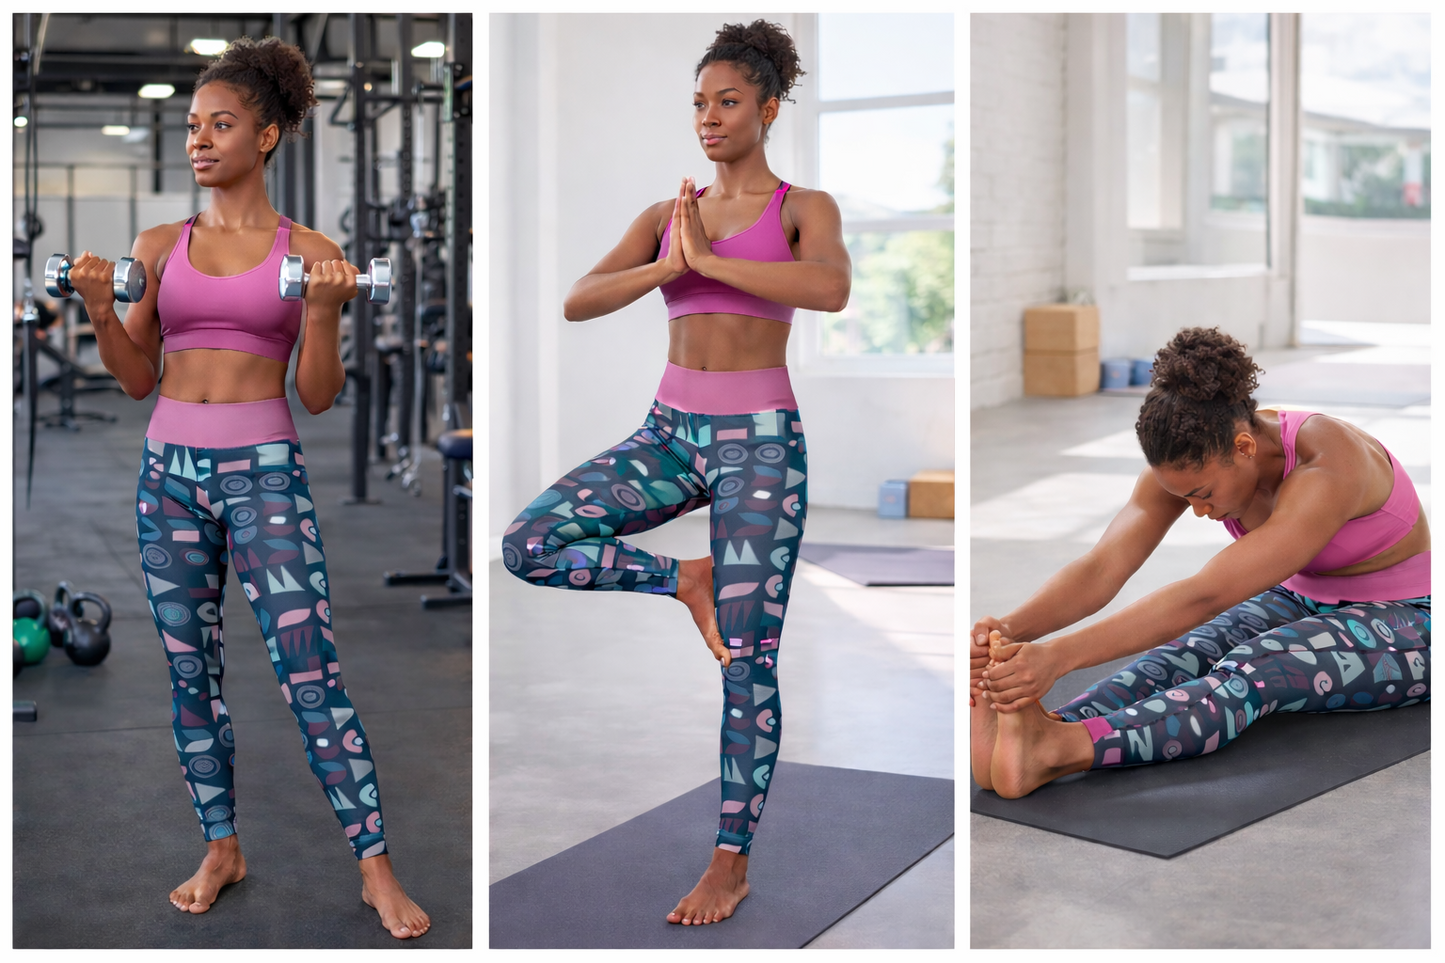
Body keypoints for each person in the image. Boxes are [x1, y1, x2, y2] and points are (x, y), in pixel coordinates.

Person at [68, 37, 429, 939]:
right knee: (191, 674)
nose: (199, 140)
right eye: (193, 126)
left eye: (219, 124)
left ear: (266, 136)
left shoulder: (311, 251)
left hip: (264, 469)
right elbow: (135, 379)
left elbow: (315, 395)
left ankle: (374, 865)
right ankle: (221, 845)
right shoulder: (161, 245)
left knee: (311, 675)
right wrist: (102, 313)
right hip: (168, 477)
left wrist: (320, 311)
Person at [500, 20, 849, 926]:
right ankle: (680, 577)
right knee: (528, 541)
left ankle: (729, 862)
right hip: (670, 430)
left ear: (768, 108)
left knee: (747, 661)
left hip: (760, 444)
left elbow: (830, 288)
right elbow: (578, 299)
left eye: (727, 101)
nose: (708, 117)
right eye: (698, 102)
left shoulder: (803, 205)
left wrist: (712, 261)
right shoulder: (670, 213)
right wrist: (669, 260)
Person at [971, 327, 1430, 798]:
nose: (1197, 510)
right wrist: (1009, 632)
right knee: (1183, 654)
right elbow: (1103, 566)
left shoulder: (1330, 461)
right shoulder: (1189, 459)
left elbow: (1207, 594)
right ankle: (1041, 729)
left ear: (1245, 447)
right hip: (1302, 597)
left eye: (1203, 494)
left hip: (1414, 617)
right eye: (1182, 496)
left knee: (1261, 666)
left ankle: (1062, 749)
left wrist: (1057, 657)